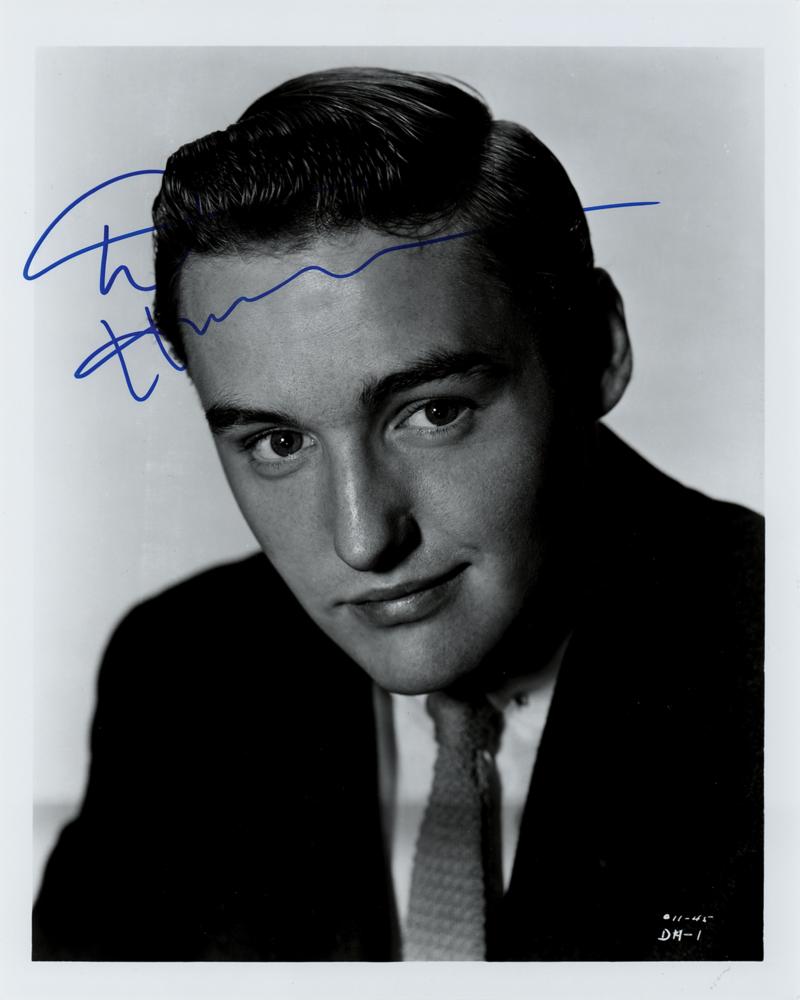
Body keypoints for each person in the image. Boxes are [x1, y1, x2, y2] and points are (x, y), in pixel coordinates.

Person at [32, 66, 763, 961]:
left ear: (595, 351)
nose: (363, 539)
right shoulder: (177, 677)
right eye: (278, 441)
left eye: (434, 412)